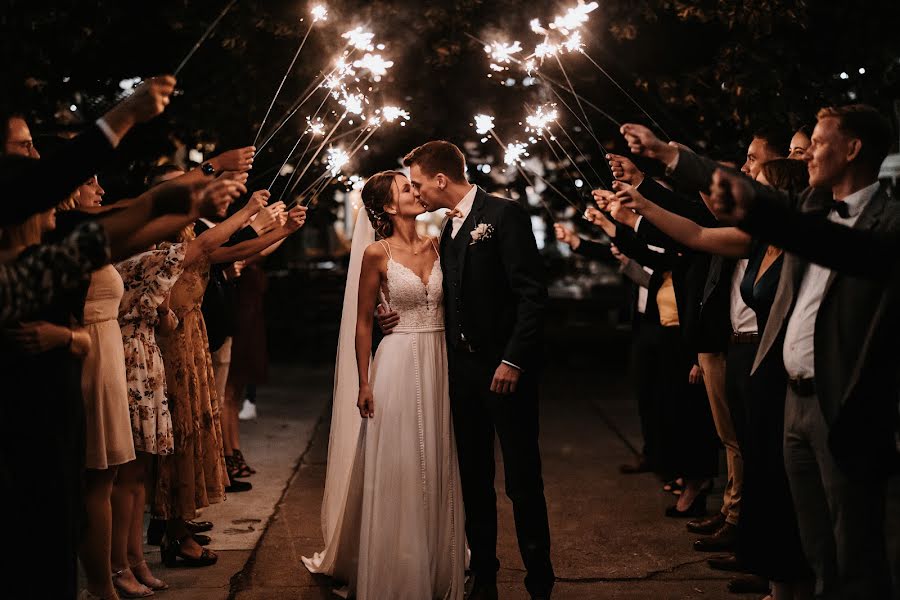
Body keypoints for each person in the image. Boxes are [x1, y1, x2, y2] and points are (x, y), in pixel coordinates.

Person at [622, 104, 898, 598]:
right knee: (810, 547)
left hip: (842, 405)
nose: (809, 152)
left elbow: (776, 217)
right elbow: (747, 211)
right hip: (789, 399)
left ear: (853, 149)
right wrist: (670, 158)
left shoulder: (887, 222)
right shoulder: (811, 209)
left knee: (855, 552)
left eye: (817, 142)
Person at [302, 171, 465, 599]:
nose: (416, 190)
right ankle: (396, 566)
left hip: (440, 360)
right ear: (390, 207)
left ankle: (437, 559)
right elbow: (360, 322)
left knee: (440, 457)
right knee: (401, 461)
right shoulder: (376, 253)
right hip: (394, 362)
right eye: (407, 188)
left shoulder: (440, 242)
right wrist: (364, 382)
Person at [403, 141, 554, 599]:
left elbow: (532, 294)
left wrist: (513, 360)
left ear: (441, 179)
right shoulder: (447, 229)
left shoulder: (503, 215)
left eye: (417, 183)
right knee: (473, 478)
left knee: (523, 481)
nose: (416, 192)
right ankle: (484, 576)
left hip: (504, 371)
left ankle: (539, 581)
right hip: (462, 373)